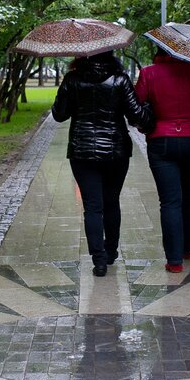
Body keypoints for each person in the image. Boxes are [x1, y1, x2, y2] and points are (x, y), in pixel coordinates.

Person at [52, 51, 152, 277]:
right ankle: (110, 251)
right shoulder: (119, 79)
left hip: (82, 151)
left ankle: (98, 261)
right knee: (111, 201)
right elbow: (136, 115)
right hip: (115, 151)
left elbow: (59, 115)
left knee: (92, 206)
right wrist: (149, 113)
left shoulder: (73, 80)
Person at [135, 48, 190, 273]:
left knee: (169, 201)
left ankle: (174, 261)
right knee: (189, 194)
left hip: (161, 140)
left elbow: (136, 104)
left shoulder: (149, 73)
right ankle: (187, 248)